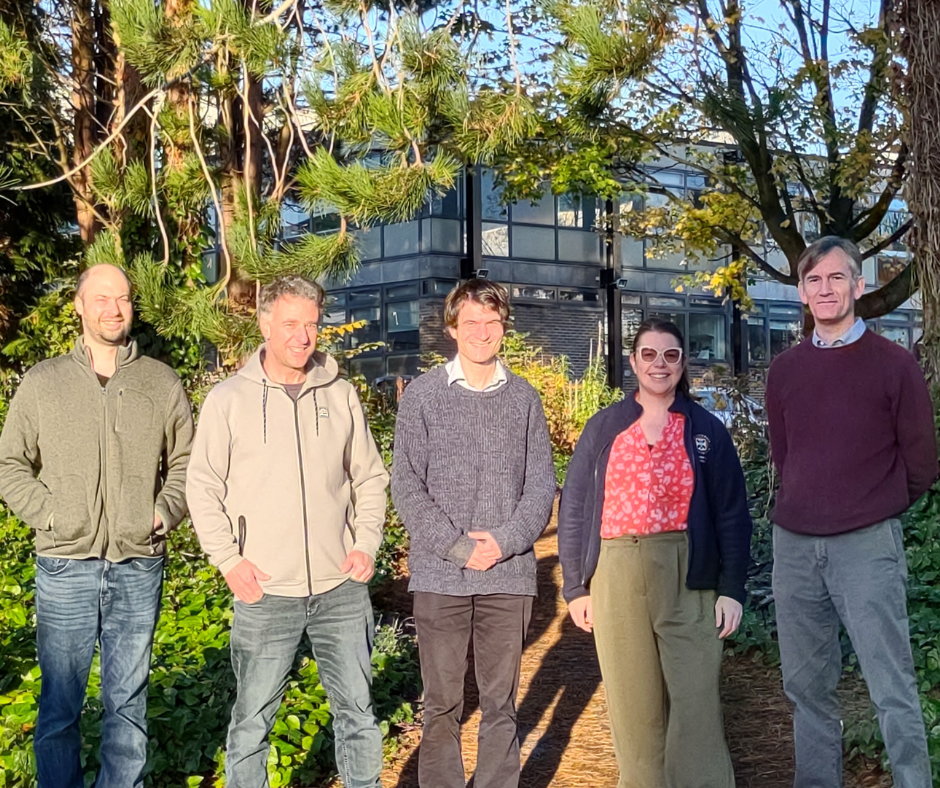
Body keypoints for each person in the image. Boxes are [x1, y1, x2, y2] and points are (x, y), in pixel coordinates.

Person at [186, 274, 388, 788]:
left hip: (340, 587)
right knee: (252, 721)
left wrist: (365, 544)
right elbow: (202, 487)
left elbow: (368, 477)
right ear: (264, 323)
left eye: (312, 325)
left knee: (359, 716)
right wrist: (229, 561)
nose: (303, 336)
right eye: (291, 324)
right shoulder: (229, 400)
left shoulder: (340, 395)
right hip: (264, 590)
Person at [0, 263, 194, 788]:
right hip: (64, 566)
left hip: (137, 563)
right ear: (80, 307)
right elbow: (9, 463)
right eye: (102, 298)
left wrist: (163, 511)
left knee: (127, 708)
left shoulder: (159, 380)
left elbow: (187, 461)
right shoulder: (44, 383)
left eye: (124, 299)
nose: (114, 308)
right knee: (59, 709)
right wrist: (52, 515)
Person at [766, 236, 938, 788]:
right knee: (807, 689)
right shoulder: (785, 370)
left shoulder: (895, 365)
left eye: (837, 278)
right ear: (801, 292)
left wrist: (871, 505)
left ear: (859, 286)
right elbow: (785, 454)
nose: (826, 289)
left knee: (892, 685)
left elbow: (921, 464)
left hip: (866, 545)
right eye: (814, 280)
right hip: (794, 549)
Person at [558, 317, 752, 788]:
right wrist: (575, 586)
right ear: (633, 361)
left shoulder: (705, 429)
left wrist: (731, 589)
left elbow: (731, 513)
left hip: (689, 569)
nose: (659, 364)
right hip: (616, 569)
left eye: (670, 355)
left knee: (696, 696)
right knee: (632, 703)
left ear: (683, 363)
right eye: (648, 354)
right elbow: (576, 507)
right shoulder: (605, 427)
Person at [391, 279, 556, 788]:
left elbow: (542, 486)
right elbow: (406, 486)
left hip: (508, 577)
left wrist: (503, 543)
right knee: (441, 704)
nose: (482, 332)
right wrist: (460, 547)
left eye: (492, 322)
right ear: (452, 329)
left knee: (500, 704)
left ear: (504, 327)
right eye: (471, 323)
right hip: (440, 577)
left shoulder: (525, 399)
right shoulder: (422, 396)